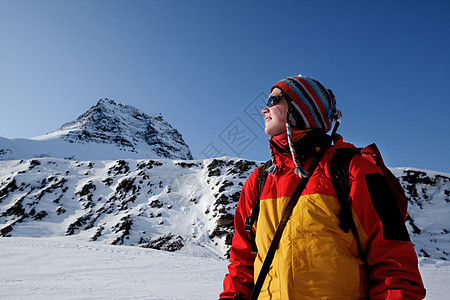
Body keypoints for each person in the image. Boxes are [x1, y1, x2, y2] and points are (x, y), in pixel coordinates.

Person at [219, 75, 426, 299]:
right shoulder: (259, 181)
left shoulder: (353, 170)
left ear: (299, 108)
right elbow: (241, 264)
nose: (263, 110)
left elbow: (393, 265)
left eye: (273, 101)